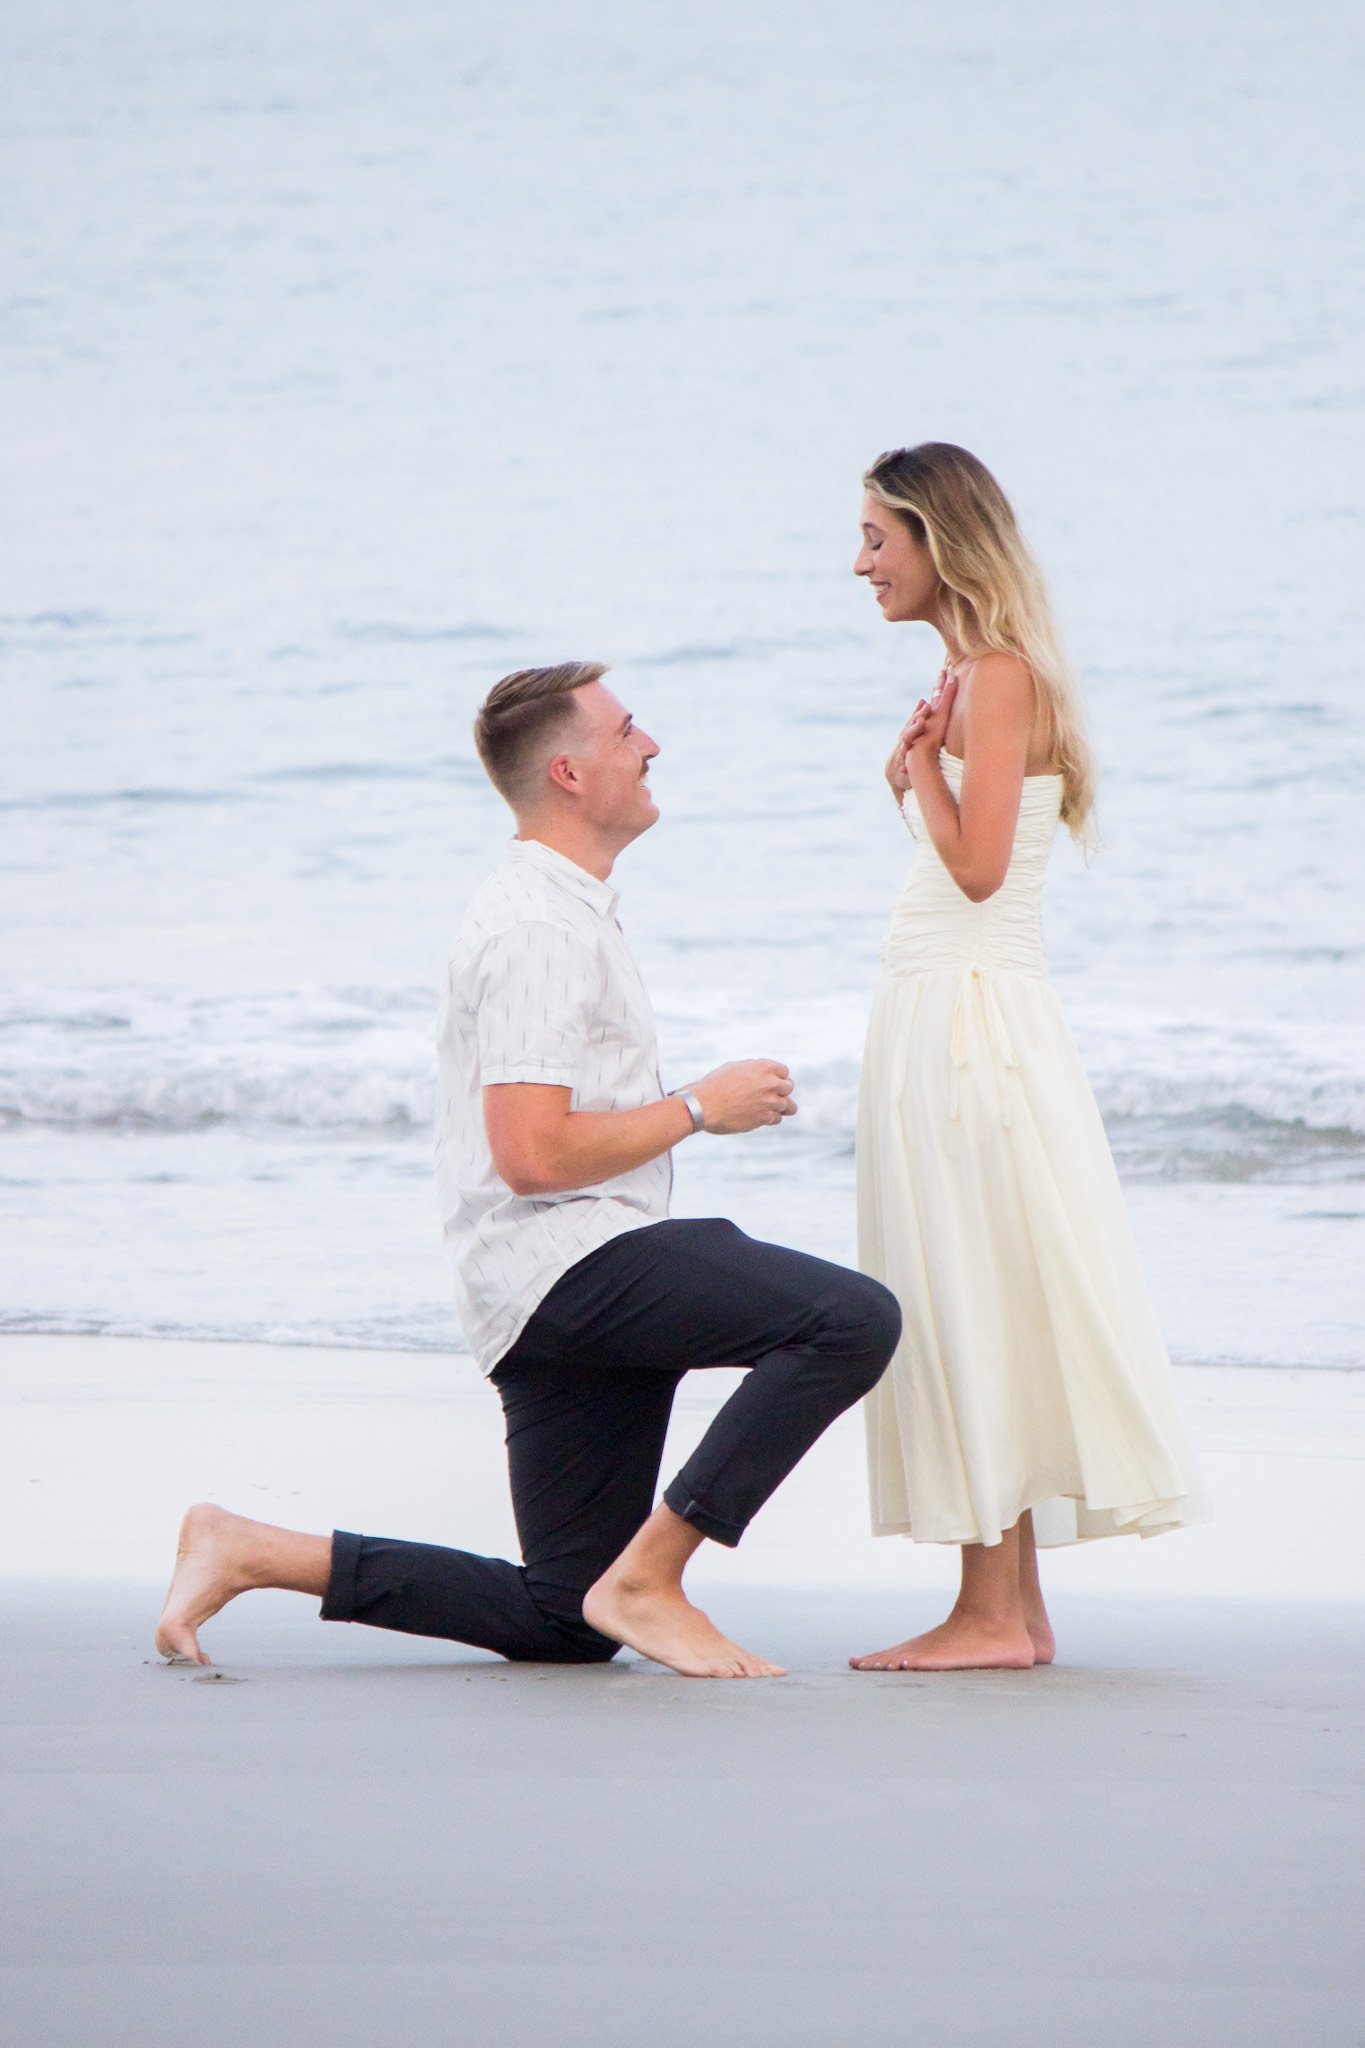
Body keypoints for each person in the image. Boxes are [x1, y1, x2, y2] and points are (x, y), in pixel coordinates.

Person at [156, 660, 901, 1679]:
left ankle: (248, 1546)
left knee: (566, 1619)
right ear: (569, 773)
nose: (650, 747)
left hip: (533, 1295)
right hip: (571, 1266)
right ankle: (655, 1574)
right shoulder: (536, 926)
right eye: (628, 731)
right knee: (850, 1319)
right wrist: (697, 1106)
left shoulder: (563, 908)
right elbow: (532, 1153)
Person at [849, 443, 1209, 1673]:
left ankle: (994, 1612)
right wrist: (919, 772)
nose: (861, 565)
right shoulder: (974, 674)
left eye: (877, 540)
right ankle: (1008, 1607)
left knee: (970, 1288)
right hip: (952, 1002)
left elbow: (978, 867)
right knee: (969, 1284)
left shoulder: (995, 676)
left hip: (970, 1013)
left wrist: (915, 779)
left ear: (938, 543)